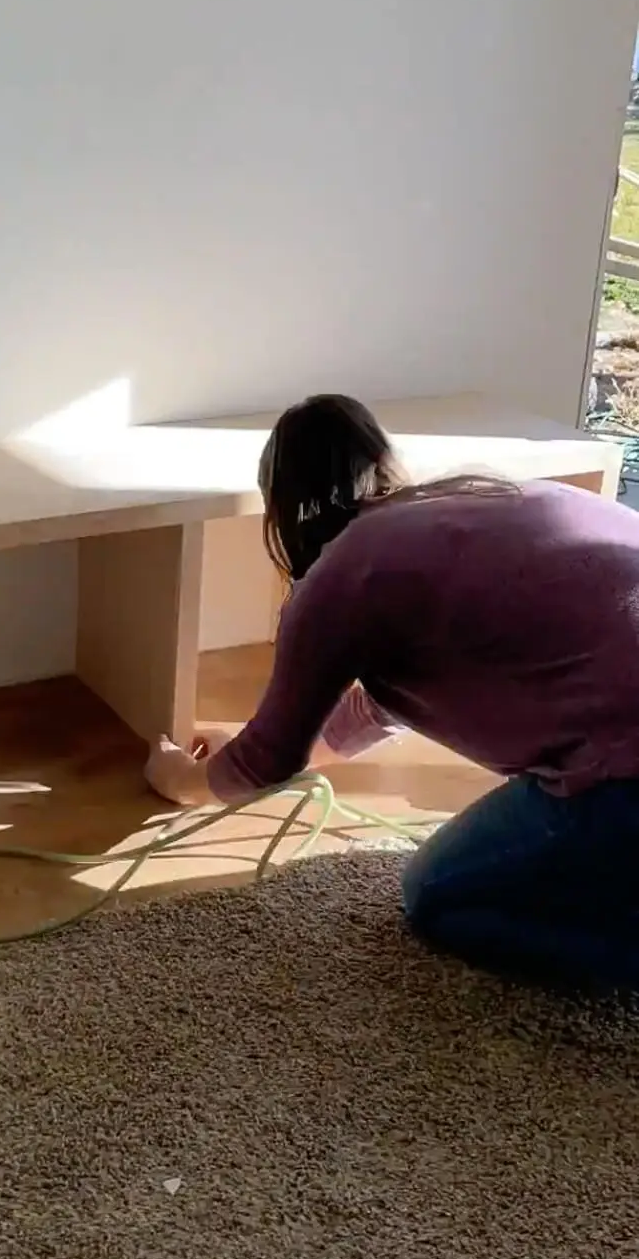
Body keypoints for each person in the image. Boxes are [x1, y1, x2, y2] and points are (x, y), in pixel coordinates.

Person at [145, 393, 639, 995]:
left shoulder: (339, 577)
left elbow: (265, 764)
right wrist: (247, 740)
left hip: (621, 775)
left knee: (435, 896)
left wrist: (178, 781)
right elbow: (380, 707)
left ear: (282, 511)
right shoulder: (494, 497)